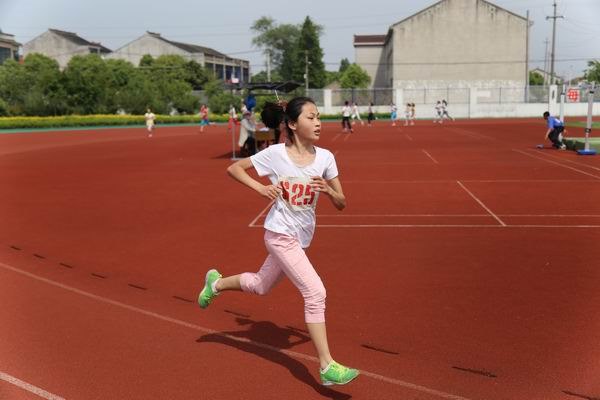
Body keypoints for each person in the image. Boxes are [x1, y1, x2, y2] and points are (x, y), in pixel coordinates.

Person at [197, 96, 360, 386]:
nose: (318, 123)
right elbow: (234, 169)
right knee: (315, 292)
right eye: (311, 117)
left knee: (261, 285)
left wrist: (329, 191)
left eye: (319, 117)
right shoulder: (275, 154)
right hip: (279, 234)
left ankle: (216, 284)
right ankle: (327, 365)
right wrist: (260, 188)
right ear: (293, 125)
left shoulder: (326, 158)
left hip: (301, 237)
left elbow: (342, 203)